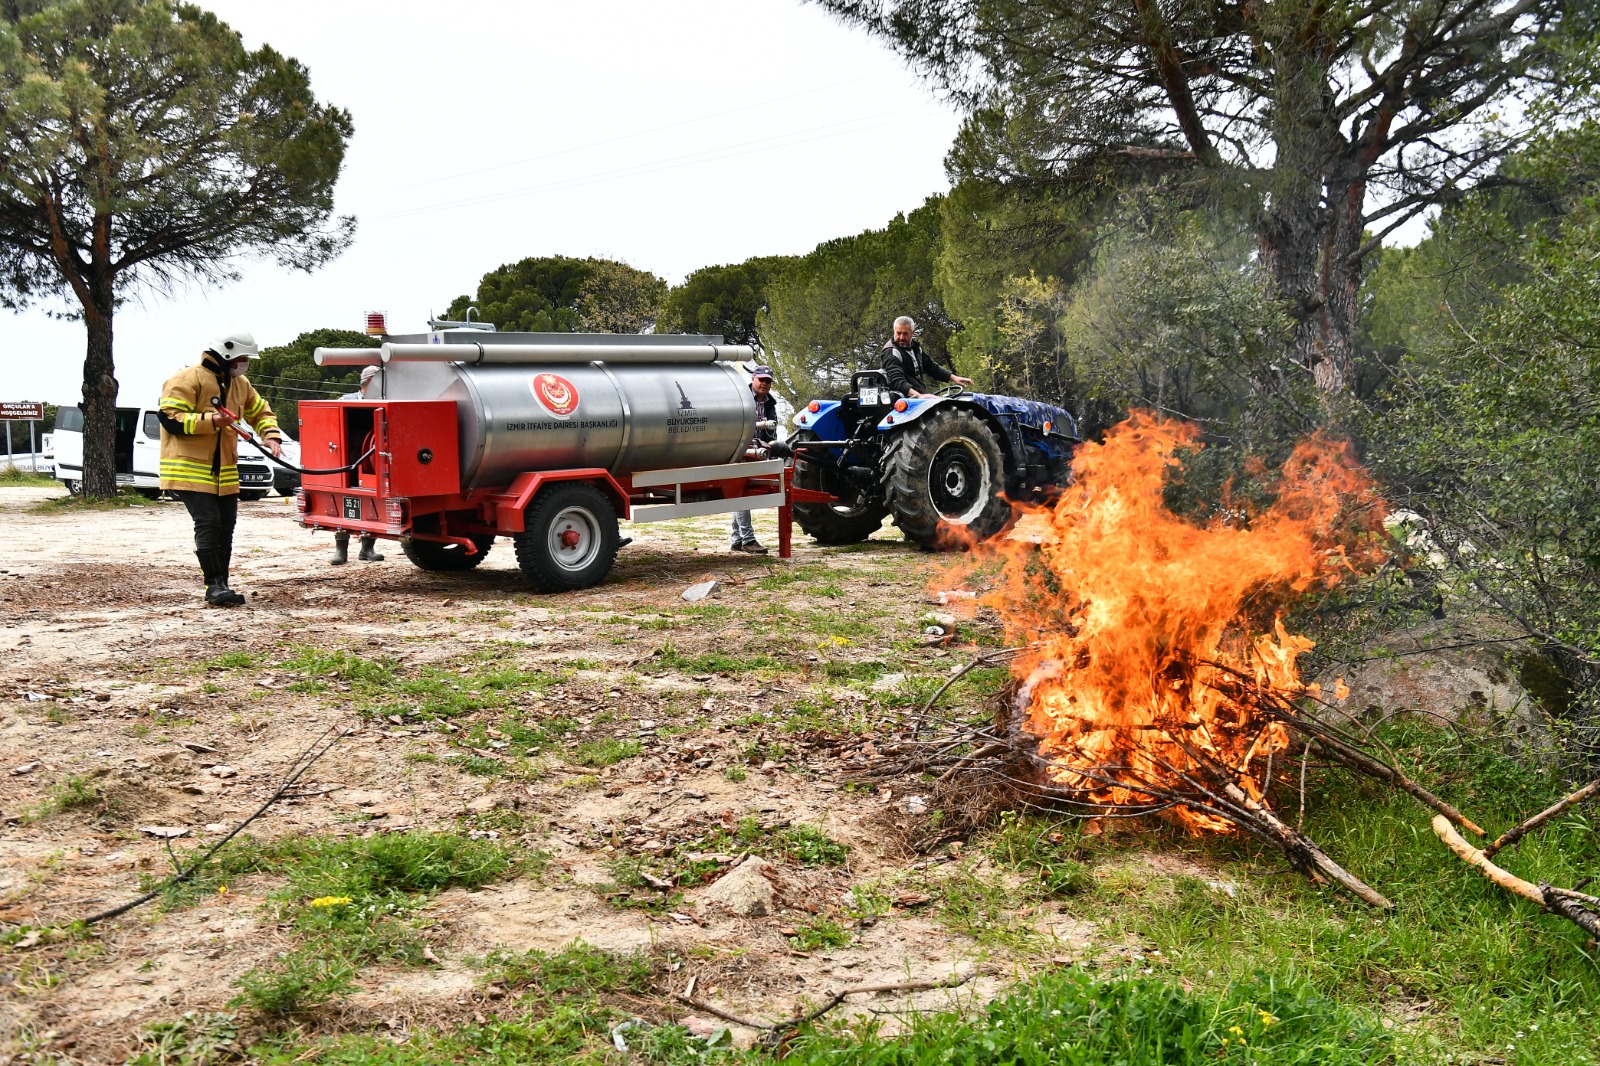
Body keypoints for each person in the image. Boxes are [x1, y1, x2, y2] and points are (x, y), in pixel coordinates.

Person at [158, 331, 283, 607]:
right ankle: (213, 586)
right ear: (226, 354)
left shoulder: (241, 384)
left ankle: (222, 584)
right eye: (241, 358)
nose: (244, 363)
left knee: (226, 526)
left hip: (224, 472)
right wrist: (211, 420)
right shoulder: (187, 378)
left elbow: (260, 411)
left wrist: (271, 434)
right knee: (208, 522)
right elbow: (170, 419)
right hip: (188, 470)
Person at [330, 365, 384, 565]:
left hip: (371, 461)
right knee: (345, 505)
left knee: (372, 504)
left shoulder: (384, 402)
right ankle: (340, 550)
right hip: (348, 460)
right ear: (369, 382)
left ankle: (367, 549)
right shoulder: (346, 401)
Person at [731, 364, 779, 554]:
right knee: (742, 495)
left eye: (768, 381)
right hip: (740, 452)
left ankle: (737, 539)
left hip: (757, 453)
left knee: (741, 493)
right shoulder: (741, 397)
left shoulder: (771, 403)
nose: (765, 384)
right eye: (762, 380)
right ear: (753, 379)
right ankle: (748, 540)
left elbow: (771, 431)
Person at [880, 315, 973, 398]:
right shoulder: (892, 352)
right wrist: (919, 396)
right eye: (898, 333)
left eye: (905, 334)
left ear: (913, 333)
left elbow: (931, 367)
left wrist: (954, 378)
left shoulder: (915, 348)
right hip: (905, 399)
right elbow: (897, 381)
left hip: (917, 395)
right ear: (894, 332)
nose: (901, 337)